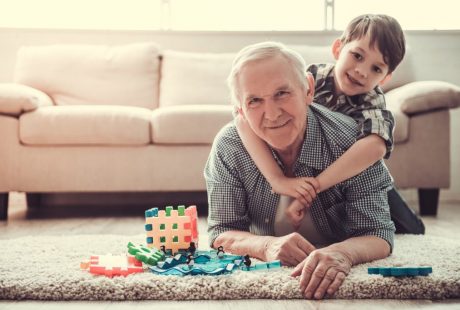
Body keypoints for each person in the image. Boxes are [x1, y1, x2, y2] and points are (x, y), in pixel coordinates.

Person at [205, 41, 396, 299]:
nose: (272, 114)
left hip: (377, 194)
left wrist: (342, 252)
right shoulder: (229, 147)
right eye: (255, 101)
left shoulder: (352, 145)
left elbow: (377, 233)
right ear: (240, 109)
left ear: (308, 89)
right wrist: (266, 246)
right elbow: (221, 233)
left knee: (404, 220)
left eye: (282, 93)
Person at [235, 14, 424, 235]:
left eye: (376, 69)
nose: (362, 71)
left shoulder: (373, 100)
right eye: (357, 56)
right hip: (311, 162)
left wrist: (315, 186)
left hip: (358, 174)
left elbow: (376, 147)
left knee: (410, 227)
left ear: (384, 79)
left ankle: (407, 225)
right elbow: (241, 119)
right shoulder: (312, 76)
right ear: (337, 49)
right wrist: (277, 179)